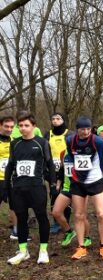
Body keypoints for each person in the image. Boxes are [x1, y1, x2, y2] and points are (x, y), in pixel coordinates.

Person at [5, 112, 56, 265]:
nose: (23, 128)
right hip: (19, 188)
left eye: (26, 125)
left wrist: (53, 185)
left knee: (41, 217)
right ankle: (23, 251)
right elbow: (10, 166)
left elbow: (50, 165)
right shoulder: (15, 144)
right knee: (21, 219)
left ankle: (43, 250)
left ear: (34, 126)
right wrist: (8, 187)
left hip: (36, 187)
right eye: (20, 125)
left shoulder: (42, 142)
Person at [67, 116, 103, 261]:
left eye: (88, 129)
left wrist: (100, 176)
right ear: (77, 129)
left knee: (101, 214)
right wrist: (78, 174)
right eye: (82, 129)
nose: (85, 132)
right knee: (79, 215)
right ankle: (81, 247)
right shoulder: (70, 140)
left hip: (95, 180)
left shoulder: (97, 141)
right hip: (77, 181)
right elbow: (72, 156)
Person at [53, 148, 92, 247]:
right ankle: (69, 232)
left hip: (80, 189)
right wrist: (58, 184)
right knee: (56, 212)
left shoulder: (83, 152)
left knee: (81, 216)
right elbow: (62, 170)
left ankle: (87, 237)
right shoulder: (63, 152)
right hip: (67, 188)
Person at [45, 112, 73, 234]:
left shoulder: (70, 134)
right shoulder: (48, 135)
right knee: (54, 195)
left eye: (58, 118)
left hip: (67, 171)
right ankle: (56, 222)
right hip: (52, 171)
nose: (55, 121)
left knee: (67, 196)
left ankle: (66, 220)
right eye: (53, 119)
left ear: (63, 120)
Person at [0, 116, 17, 240]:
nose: (9, 129)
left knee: (15, 205)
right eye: (6, 126)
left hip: (12, 179)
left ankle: (16, 231)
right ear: (0, 126)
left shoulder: (14, 140)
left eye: (12, 127)